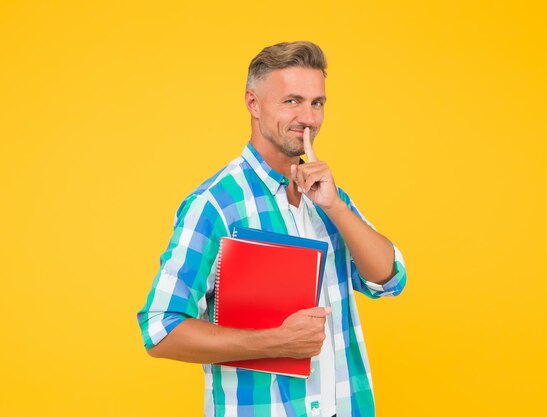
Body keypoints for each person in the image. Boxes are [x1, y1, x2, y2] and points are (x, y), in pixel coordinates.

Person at [137, 41, 407, 417]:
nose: (308, 118)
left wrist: (336, 207)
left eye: (317, 103)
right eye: (292, 101)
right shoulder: (216, 203)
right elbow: (160, 330)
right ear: (253, 103)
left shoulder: (329, 196)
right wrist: (279, 341)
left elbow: (389, 278)